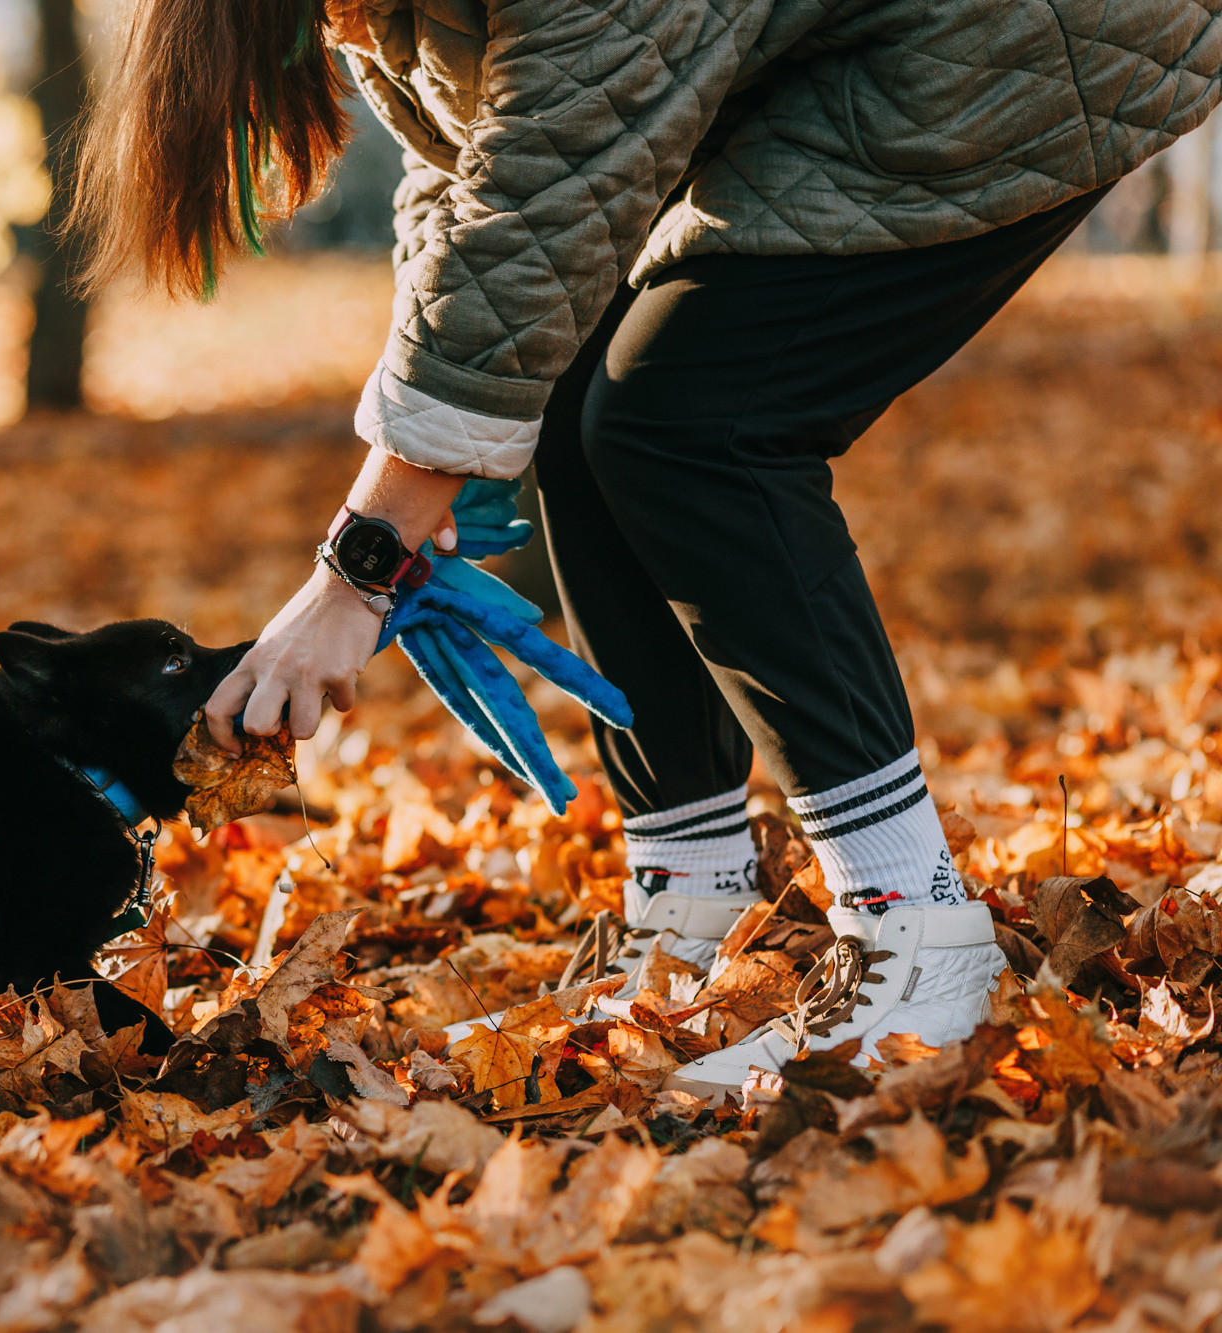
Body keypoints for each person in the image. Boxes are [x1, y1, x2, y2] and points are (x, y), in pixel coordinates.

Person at [72, 0, 1222, 1092]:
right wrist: (444, 450)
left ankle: (917, 937)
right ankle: (692, 913)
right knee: (580, 406)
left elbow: (545, 187)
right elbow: (474, 175)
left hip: (1025, 39)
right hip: (867, 48)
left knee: (688, 420)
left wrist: (358, 565)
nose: (334, 27)